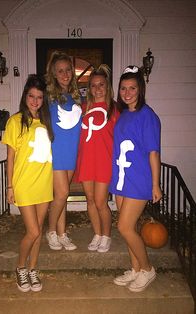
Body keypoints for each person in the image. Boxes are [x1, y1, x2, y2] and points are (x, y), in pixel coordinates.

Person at [109, 65, 162, 292]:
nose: (127, 92)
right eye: (123, 88)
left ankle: (148, 269)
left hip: (138, 180)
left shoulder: (147, 115)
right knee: (127, 228)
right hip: (121, 179)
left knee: (125, 227)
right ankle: (136, 269)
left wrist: (155, 184)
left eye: (132, 88)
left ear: (140, 90)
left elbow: (153, 152)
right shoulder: (123, 115)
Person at [2, 74, 53, 292]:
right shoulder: (15, 121)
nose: (35, 101)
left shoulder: (46, 121)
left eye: (39, 97)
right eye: (31, 96)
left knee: (39, 230)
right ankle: (21, 267)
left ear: (43, 99)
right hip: (23, 183)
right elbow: (10, 157)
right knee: (32, 231)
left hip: (44, 182)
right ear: (25, 96)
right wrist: (10, 186)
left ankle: (33, 269)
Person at [75, 64, 119, 253]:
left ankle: (107, 235)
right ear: (89, 88)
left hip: (103, 161)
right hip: (86, 161)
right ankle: (97, 234)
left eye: (101, 85)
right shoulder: (83, 108)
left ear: (107, 87)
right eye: (93, 85)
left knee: (101, 202)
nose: (97, 89)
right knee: (90, 200)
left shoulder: (115, 109)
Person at [45, 51, 82, 251]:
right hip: (56, 151)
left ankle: (62, 234)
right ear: (54, 73)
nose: (65, 74)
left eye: (68, 70)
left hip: (71, 152)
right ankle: (51, 231)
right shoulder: (49, 96)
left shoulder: (75, 96)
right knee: (62, 194)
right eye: (60, 71)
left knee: (62, 196)